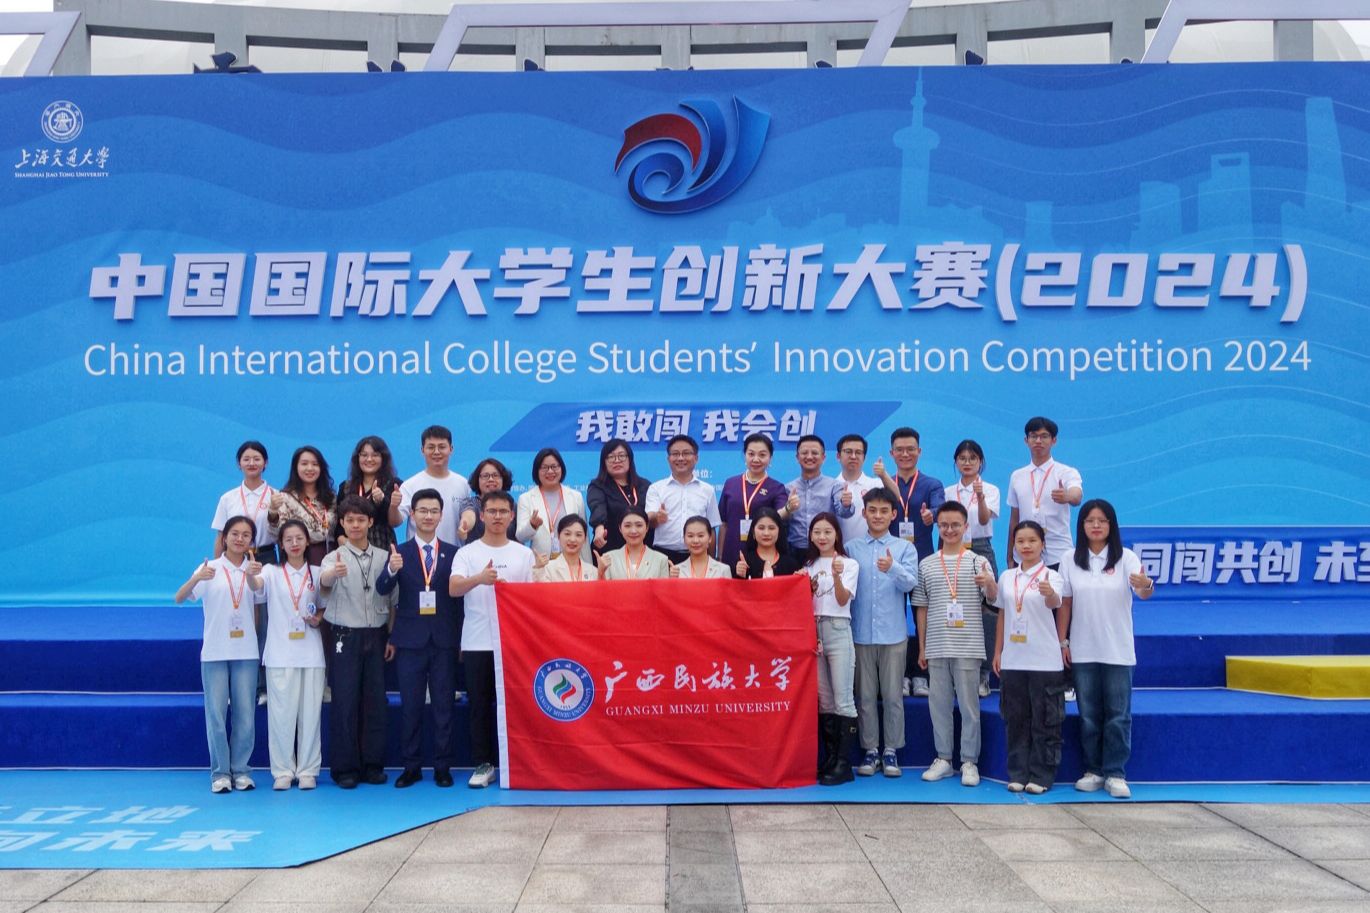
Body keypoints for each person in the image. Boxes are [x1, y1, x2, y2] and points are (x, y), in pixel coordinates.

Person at [1060, 499, 1154, 800]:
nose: (1096, 525)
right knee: (1089, 714)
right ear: (1081, 526)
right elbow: (1065, 603)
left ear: (1111, 525)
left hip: (1118, 649)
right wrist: (1063, 641)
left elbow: (1143, 592)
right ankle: (1094, 770)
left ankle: (1115, 773)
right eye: (1090, 520)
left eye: (1102, 520)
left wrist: (1146, 583)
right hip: (1083, 649)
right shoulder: (1070, 559)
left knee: (1118, 715)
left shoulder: (1126, 557)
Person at [376, 488, 462, 788]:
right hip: (409, 641)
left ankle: (442, 767)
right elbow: (382, 589)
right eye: (422, 510)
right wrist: (390, 570)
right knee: (410, 707)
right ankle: (410, 767)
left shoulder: (454, 552)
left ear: (441, 515)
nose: (428, 516)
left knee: (443, 707)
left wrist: (460, 639)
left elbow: (459, 601)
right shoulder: (399, 552)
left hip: (444, 641)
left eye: (433, 511)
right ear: (412, 515)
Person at [450, 489, 536, 787]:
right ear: (482, 515)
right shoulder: (467, 553)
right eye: (492, 511)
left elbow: (533, 599)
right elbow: (453, 588)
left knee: (516, 705)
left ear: (512, 516)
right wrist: (480, 579)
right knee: (479, 706)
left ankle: (518, 763)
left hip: (513, 643)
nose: (497, 517)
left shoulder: (523, 554)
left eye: (503, 512)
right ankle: (483, 764)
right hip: (477, 642)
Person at [174, 515, 263, 793]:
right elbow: (179, 597)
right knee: (216, 714)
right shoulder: (209, 568)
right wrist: (196, 578)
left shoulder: (254, 569)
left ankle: (242, 770)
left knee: (245, 715)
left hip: (246, 651)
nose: (239, 539)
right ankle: (220, 773)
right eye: (234, 533)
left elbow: (258, 595)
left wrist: (252, 575)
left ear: (252, 541)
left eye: (246, 535)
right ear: (224, 537)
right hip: (214, 652)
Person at [913, 501, 997, 786]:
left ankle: (969, 761)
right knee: (939, 706)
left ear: (965, 527)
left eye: (955, 525)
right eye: (944, 525)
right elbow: (921, 607)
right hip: (937, 645)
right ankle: (944, 759)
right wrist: (922, 646)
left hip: (968, 645)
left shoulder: (978, 562)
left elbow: (994, 599)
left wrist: (989, 583)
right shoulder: (926, 564)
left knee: (970, 706)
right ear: (938, 527)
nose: (949, 530)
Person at [319, 496, 395, 789]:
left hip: (376, 635)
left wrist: (391, 636)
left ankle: (373, 765)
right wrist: (332, 574)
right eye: (349, 520)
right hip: (345, 636)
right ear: (342, 523)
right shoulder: (334, 557)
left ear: (370, 522)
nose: (355, 525)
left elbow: (393, 600)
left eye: (361, 520)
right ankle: (345, 768)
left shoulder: (384, 556)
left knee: (375, 702)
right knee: (345, 701)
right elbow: (323, 583)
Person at [846, 488, 919, 777]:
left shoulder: (904, 548)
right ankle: (870, 750)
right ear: (863, 513)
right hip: (860, 634)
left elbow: (910, 584)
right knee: (864, 697)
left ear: (893, 514)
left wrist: (893, 568)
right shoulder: (851, 548)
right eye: (872, 510)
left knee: (892, 697)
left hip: (893, 635)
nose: (878, 516)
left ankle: (891, 751)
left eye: (884, 511)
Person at [992, 520, 1067, 794]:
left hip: (1044, 661)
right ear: (1014, 545)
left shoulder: (1052, 576)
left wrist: (1049, 593)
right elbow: (1003, 614)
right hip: (1013, 659)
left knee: (1045, 721)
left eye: (1032, 541)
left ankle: (1042, 775)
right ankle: (1017, 773)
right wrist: (998, 651)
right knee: (1016, 719)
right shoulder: (1006, 577)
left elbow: (1055, 603)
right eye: (1020, 541)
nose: (1026, 546)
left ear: (1042, 544)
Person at [874, 427, 944, 698]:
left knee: (924, 617)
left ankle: (923, 674)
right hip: (891, 560)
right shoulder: (884, 483)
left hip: (923, 558)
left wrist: (931, 515)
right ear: (892, 453)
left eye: (910, 449)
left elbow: (939, 508)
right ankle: (901, 674)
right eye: (900, 450)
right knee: (894, 618)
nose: (905, 454)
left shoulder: (931, 484)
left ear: (919, 451)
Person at [258, 519, 326, 791]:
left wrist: (318, 619)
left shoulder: (318, 573)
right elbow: (255, 586)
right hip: (280, 654)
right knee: (281, 717)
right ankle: (283, 771)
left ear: (307, 542)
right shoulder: (270, 572)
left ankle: (308, 770)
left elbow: (324, 605)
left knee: (310, 716)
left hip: (311, 654)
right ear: (281, 545)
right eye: (289, 539)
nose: (295, 544)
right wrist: (250, 574)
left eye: (299, 538)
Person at [802, 512, 860, 785]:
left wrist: (837, 576)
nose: (822, 537)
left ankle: (844, 764)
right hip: (813, 632)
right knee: (824, 700)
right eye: (817, 532)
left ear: (837, 534)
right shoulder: (808, 565)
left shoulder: (849, 564)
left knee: (843, 699)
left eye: (827, 531)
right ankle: (831, 757)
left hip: (837, 629)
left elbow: (842, 599)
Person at [946, 440, 1002, 698]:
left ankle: (983, 674)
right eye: (962, 458)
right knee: (954, 605)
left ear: (981, 462)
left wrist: (979, 496)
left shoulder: (990, 489)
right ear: (956, 462)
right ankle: (956, 672)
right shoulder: (948, 492)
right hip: (953, 547)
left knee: (987, 611)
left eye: (973, 458)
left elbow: (982, 519)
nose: (967, 463)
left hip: (980, 547)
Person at [1005, 417, 1083, 570]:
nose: (1038, 441)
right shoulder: (1017, 476)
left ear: (1054, 440)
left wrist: (1067, 496)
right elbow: (1014, 518)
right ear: (1026, 440)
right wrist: (1010, 555)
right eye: (1033, 436)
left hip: (1058, 553)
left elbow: (1077, 496)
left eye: (1044, 436)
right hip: (1024, 555)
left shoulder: (1065, 472)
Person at [716, 433, 789, 570]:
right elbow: (724, 524)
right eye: (751, 454)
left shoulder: (776, 487)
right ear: (745, 455)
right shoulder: (731, 483)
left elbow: (779, 516)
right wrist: (719, 556)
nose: (756, 459)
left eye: (762, 455)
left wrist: (789, 508)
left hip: (761, 554)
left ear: (770, 457)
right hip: (731, 550)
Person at [645, 434, 720, 565]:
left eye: (686, 453)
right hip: (663, 555)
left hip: (698, 554)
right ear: (668, 459)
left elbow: (712, 528)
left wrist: (711, 561)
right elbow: (649, 520)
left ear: (696, 458)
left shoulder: (707, 490)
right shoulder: (656, 488)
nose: (680, 458)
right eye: (675, 454)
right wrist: (656, 517)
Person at [396, 425, 477, 546]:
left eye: (442, 447)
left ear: (451, 449)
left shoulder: (463, 483)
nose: (436, 452)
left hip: (455, 553)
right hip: (419, 555)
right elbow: (397, 520)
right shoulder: (410, 485)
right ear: (422, 450)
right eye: (431, 447)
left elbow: (468, 514)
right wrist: (393, 506)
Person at [210, 440, 278, 563]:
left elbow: (284, 536)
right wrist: (218, 566)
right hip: (235, 558)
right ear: (239, 464)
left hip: (266, 557)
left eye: (257, 459)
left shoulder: (276, 496)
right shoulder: (227, 498)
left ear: (265, 463)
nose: (251, 463)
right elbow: (220, 537)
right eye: (246, 459)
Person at [269, 446, 336, 567]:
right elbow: (277, 533)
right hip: (300, 559)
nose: (310, 468)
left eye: (315, 464)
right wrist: (273, 513)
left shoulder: (331, 497)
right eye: (304, 464)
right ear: (296, 467)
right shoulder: (285, 497)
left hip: (331, 557)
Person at [516, 447, 587, 559]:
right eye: (544, 467)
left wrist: (587, 565)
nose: (550, 471)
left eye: (554, 467)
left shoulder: (575, 497)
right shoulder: (526, 498)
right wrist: (532, 525)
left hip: (571, 562)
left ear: (561, 468)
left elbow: (584, 536)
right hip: (541, 563)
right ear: (536, 471)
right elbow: (520, 537)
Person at [334, 435, 402, 552]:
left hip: (381, 545)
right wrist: (341, 538)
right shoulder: (346, 487)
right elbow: (338, 520)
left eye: (375, 455)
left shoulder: (393, 484)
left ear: (383, 458)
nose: (369, 459)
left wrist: (382, 501)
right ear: (357, 458)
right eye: (364, 455)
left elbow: (393, 521)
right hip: (351, 548)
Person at [585, 439, 653, 554]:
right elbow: (597, 507)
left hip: (643, 550)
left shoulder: (645, 485)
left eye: (621, 456)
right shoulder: (598, 486)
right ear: (604, 462)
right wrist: (599, 527)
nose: (617, 460)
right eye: (611, 457)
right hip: (610, 549)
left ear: (630, 459)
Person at [785, 435, 841, 553]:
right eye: (804, 453)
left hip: (824, 550)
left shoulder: (834, 486)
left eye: (815, 453)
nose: (809, 457)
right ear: (797, 457)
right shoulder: (788, 488)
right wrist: (788, 509)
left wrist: (846, 504)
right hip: (795, 551)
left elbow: (843, 513)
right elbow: (782, 521)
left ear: (823, 457)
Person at [831, 433, 883, 546]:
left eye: (858, 452)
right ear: (838, 456)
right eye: (848, 451)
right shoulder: (831, 486)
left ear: (864, 458)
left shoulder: (876, 484)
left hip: (870, 550)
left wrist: (884, 475)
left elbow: (897, 497)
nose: (853, 456)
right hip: (838, 551)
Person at [600, 507, 672, 580]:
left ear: (647, 527)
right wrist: (600, 572)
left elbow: (664, 587)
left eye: (639, 525)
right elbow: (602, 587)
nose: (633, 531)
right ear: (620, 528)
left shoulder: (660, 559)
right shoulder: (608, 558)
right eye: (627, 526)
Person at [733, 506, 801, 579]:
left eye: (771, 528)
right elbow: (734, 585)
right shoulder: (744, 562)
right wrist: (740, 576)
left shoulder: (790, 564)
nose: (766, 533)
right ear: (753, 532)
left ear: (779, 531)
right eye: (761, 528)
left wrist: (800, 577)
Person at [460, 458, 513, 544]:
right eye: (485, 476)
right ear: (477, 479)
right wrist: (465, 525)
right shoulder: (470, 503)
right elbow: (468, 515)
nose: (491, 479)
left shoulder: (512, 505)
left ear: (503, 479)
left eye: (495, 475)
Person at [533, 515, 598, 582]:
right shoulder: (547, 569)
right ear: (558, 536)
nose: (572, 539)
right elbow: (541, 588)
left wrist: (601, 572)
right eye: (567, 534)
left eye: (578, 535)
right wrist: (539, 569)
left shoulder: (593, 571)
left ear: (585, 539)